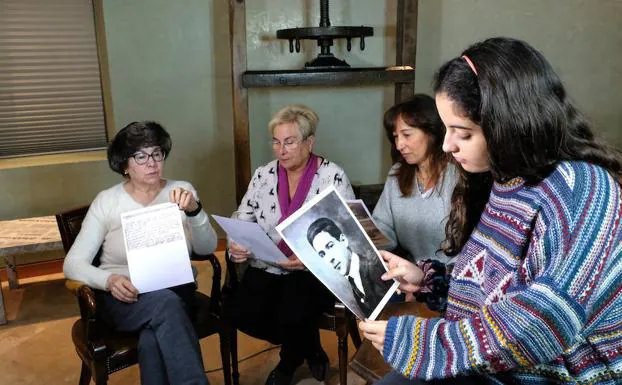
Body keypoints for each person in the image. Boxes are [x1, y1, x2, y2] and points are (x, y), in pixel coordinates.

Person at [359, 37, 622, 384]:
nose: (448, 145)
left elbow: (542, 322)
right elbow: (496, 287)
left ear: (509, 124)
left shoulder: (582, 190)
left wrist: (423, 343)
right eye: (446, 129)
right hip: (500, 366)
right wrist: (429, 279)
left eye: (463, 133)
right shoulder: (507, 180)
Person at [63, 121, 217, 385]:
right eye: (141, 156)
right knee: (167, 307)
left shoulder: (181, 191)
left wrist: (194, 210)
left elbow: (207, 248)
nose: (152, 163)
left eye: (157, 153)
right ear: (125, 164)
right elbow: (73, 264)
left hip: (176, 288)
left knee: (152, 337)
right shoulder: (107, 201)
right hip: (124, 296)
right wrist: (109, 281)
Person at [225, 104, 355, 385]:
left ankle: (288, 363)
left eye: (290, 142)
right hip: (268, 263)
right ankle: (312, 348)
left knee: (292, 309)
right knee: (241, 311)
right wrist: (236, 242)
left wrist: (310, 259)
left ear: (310, 142)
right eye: (276, 141)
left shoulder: (333, 176)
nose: (281, 150)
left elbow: (348, 233)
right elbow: (243, 216)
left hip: (314, 269)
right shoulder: (263, 175)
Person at [372, 94, 458, 266]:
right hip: (410, 275)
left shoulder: (457, 177)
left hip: (453, 279)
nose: (399, 145)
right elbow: (384, 228)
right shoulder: (397, 174)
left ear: (431, 133)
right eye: (396, 136)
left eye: (407, 134)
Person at [307, 217, 394, 318]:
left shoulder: (373, 267)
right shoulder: (353, 281)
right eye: (322, 254)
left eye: (330, 246)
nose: (329, 258)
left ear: (343, 240)